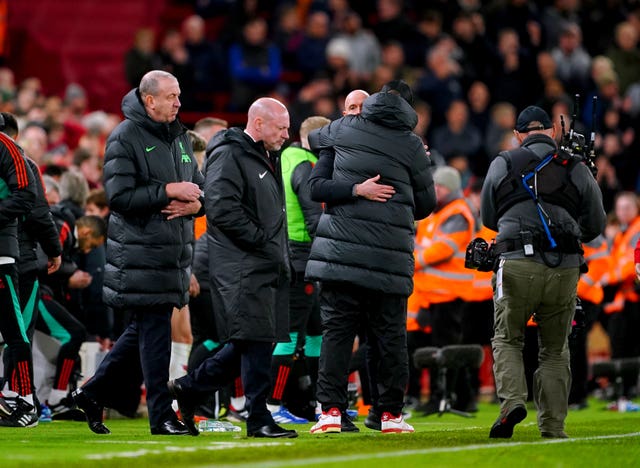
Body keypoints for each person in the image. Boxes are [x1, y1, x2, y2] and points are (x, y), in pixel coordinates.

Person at [72, 70, 205, 436]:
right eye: (171, 96)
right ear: (149, 100)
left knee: (143, 333)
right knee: (155, 336)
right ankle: (161, 416)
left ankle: (92, 392)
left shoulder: (179, 137)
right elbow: (118, 197)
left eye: (178, 95)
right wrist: (168, 190)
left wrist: (197, 205)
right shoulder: (124, 137)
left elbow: (200, 188)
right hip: (140, 254)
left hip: (172, 254)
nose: (178, 102)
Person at [306, 79, 436, 434]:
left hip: (339, 254)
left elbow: (313, 140)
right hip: (389, 259)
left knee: (337, 333)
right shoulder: (412, 145)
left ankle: (330, 411)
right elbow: (426, 204)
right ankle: (390, 414)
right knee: (390, 337)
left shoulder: (343, 130)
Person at [168, 97, 298, 439]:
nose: (287, 134)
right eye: (281, 127)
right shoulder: (230, 153)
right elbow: (222, 210)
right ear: (258, 123)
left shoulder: (263, 155)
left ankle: (190, 388)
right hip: (242, 265)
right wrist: (261, 241)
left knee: (251, 342)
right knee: (254, 341)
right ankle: (257, 418)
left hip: (261, 263)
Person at [480, 105, 605, 439]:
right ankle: (553, 426)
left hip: (517, 262)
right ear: (552, 131)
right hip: (565, 268)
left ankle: (513, 404)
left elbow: (489, 218)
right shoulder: (575, 166)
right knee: (554, 348)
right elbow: (596, 224)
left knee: (508, 338)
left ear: (518, 135)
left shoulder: (503, 162)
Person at [266, 115, 329, 425]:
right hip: (301, 259)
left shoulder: (284, 158)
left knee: (316, 332)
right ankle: (272, 404)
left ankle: (320, 404)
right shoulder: (306, 165)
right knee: (290, 336)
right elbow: (312, 216)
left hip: (293, 255)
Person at [0, 111, 38, 427]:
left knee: (14, 331)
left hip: (1, 256)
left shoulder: (6, 146)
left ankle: (25, 402)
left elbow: (26, 195)